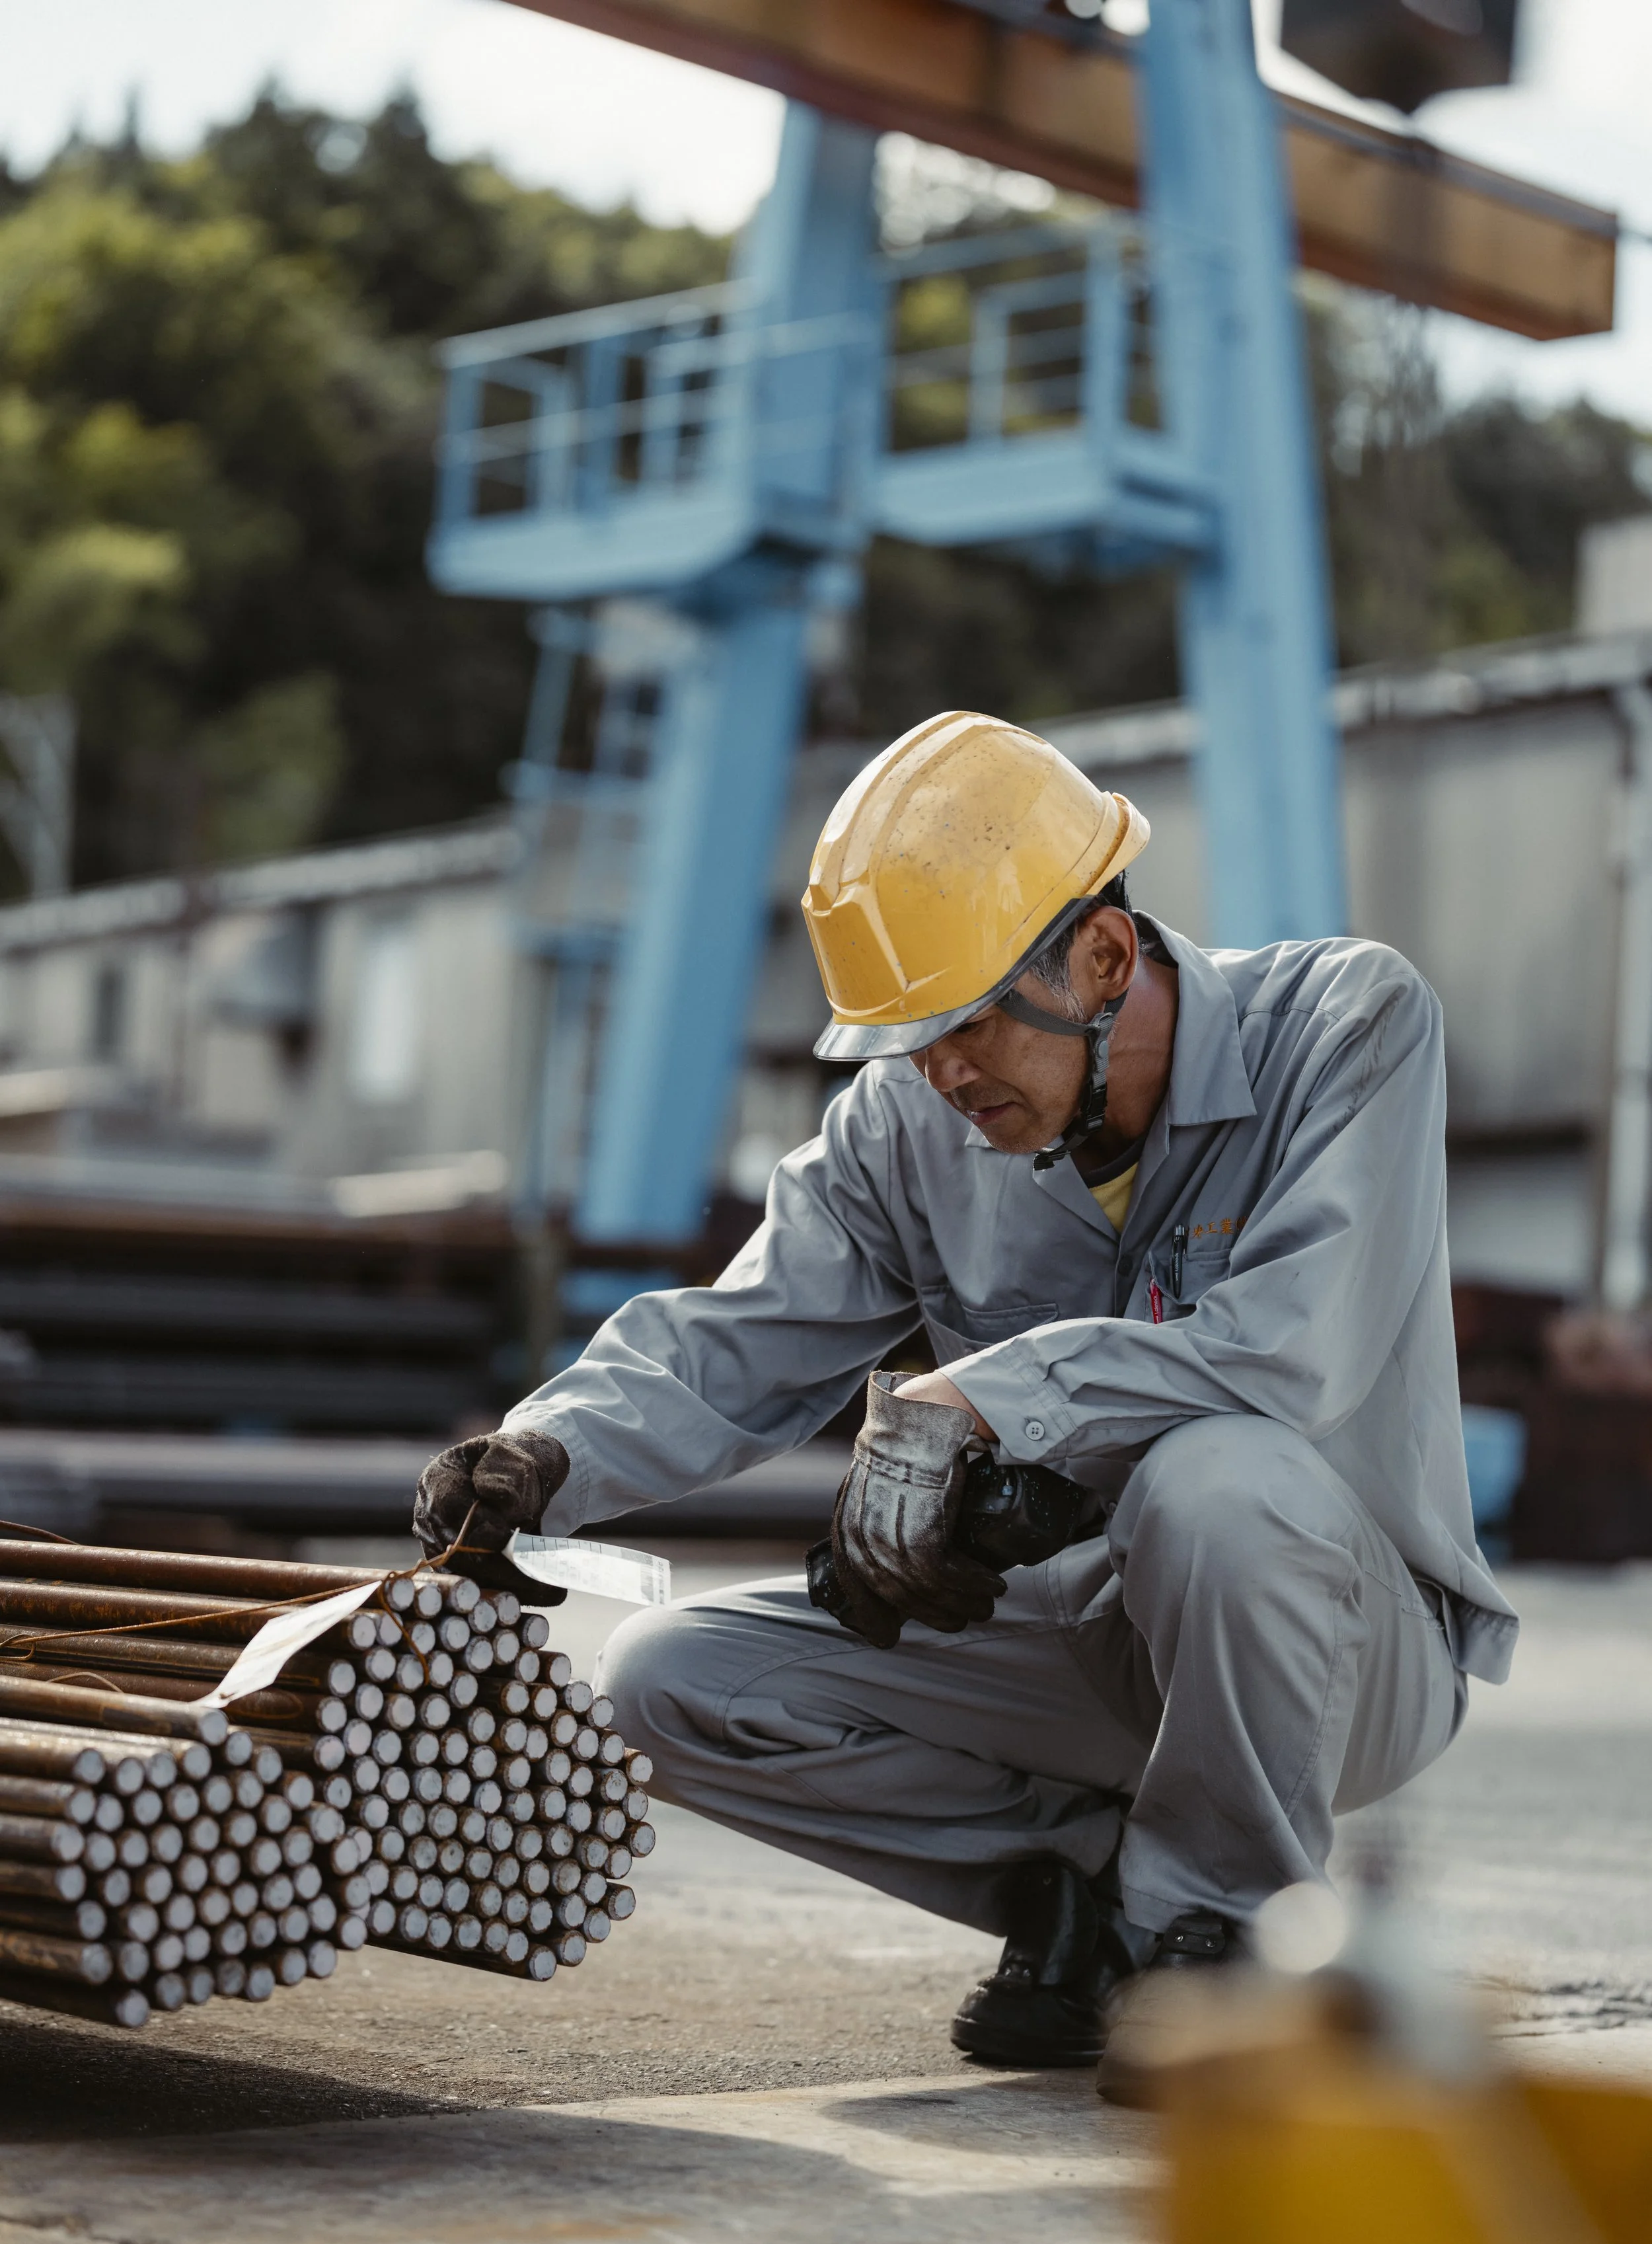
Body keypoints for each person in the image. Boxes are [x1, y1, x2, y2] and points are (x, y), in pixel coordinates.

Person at [414, 709, 1515, 2086]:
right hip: (1086, 1629)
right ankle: (1091, 1903)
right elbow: (742, 1334)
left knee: (1217, 1483)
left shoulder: (1346, 1026)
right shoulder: (905, 1125)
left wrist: (977, 1402)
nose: (938, 1068)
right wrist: (544, 1454)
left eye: (968, 1017)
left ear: (1102, 956)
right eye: (905, 1035)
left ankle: (1220, 1935)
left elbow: (1288, 1355)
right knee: (666, 1687)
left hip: (1339, 1648)